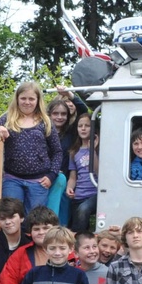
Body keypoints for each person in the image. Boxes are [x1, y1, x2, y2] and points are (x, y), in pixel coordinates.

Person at [0, 81, 62, 215]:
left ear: (37, 100)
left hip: (39, 181)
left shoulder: (45, 121)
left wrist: (51, 175)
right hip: (12, 179)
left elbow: (57, 151)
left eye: (31, 99)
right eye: (23, 98)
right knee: (11, 215)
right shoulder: (7, 118)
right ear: (17, 99)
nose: (27, 102)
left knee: (34, 218)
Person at [46, 87, 89, 226]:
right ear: (49, 115)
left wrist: (70, 94)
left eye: (63, 114)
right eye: (55, 113)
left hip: (65, 178)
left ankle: (62, 231)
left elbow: (83, 111)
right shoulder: (42, 132)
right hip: (45, 177)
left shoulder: (71, 133)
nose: (59, 117)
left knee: (64, 206)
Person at [65, 112, 98, 231]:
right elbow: (73, 177)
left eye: (87, 125)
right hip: (79, 194)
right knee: (77, 223)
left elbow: (99, 172)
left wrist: (92, 150)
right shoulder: (74, 151)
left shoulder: (101, 148)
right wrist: (69, 188)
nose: (83, 128)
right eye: (80, 126)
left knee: (84, 209)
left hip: (95, 193)